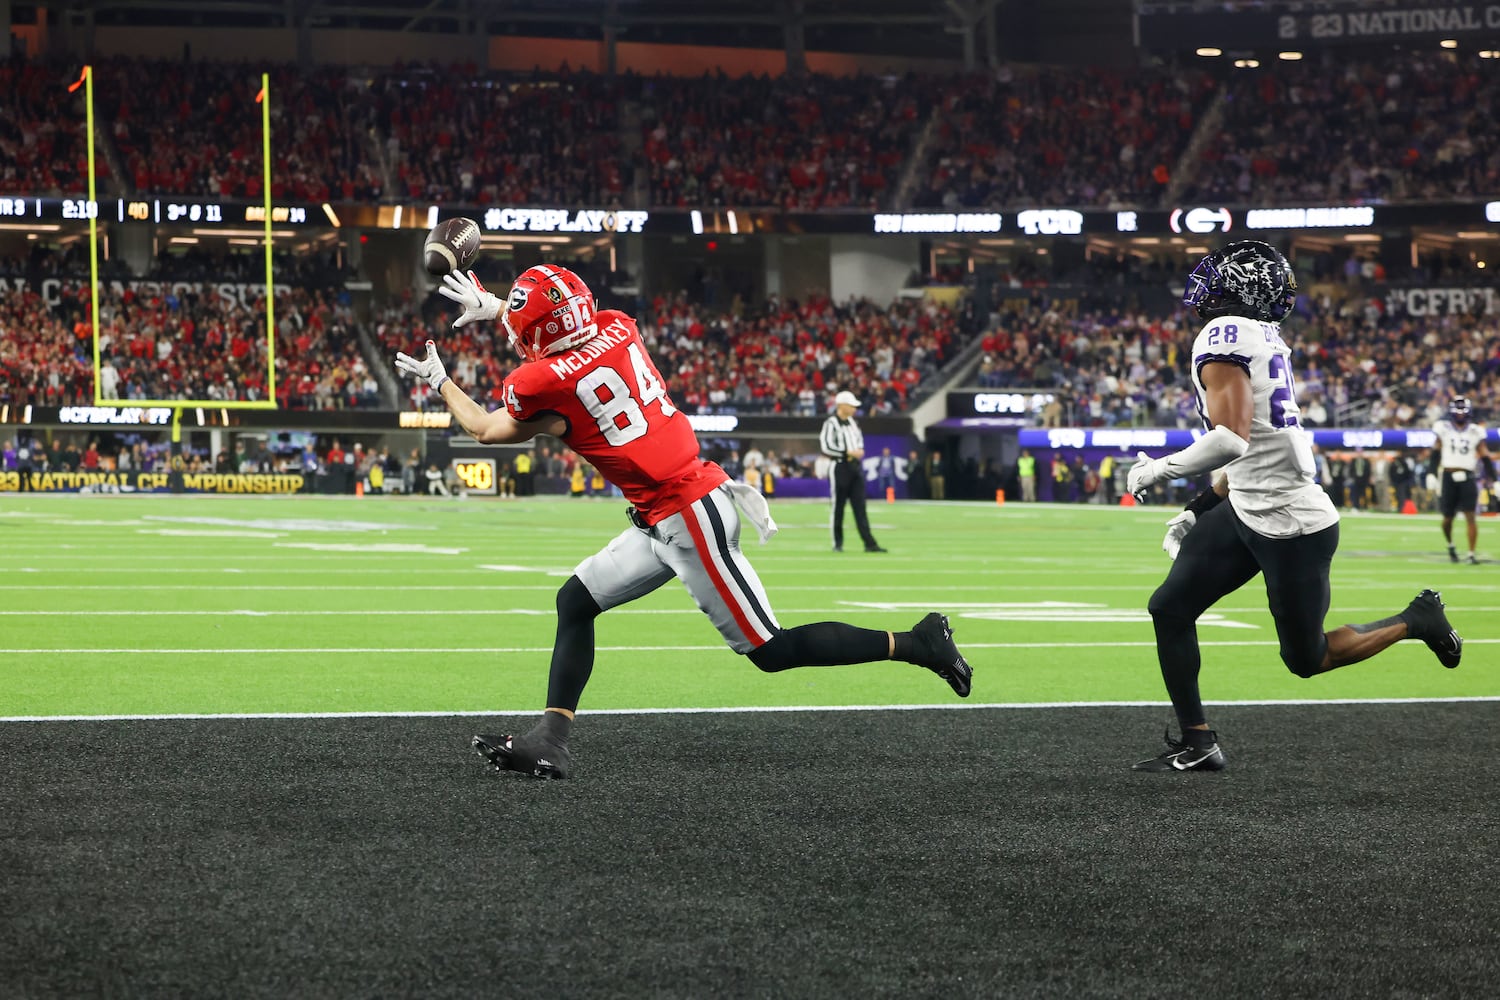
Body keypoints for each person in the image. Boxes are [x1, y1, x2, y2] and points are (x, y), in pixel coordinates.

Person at [395, 264, 972, 779]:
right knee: (575, 602)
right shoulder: (619, 326)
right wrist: (500, 307)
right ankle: (550, 740)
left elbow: (487, 427)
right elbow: (568, 337)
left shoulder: (539, 387)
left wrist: (439, 379)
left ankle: (918, 644)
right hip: (663, 511)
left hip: (689, 513)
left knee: (769, 651)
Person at [1125, 241, 1463, 772]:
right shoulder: (1262, 336)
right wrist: (1196, 508)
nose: (1207, 283)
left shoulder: (1223, 334)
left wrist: (1155, 469)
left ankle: (1416, 620)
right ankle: (1198, 741)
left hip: (1290, 524)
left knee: (1309, 660)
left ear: (1243, 285)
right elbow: (1254, 453)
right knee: (1169, 607)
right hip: (1249, 507)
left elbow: (1232, 441)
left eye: (1221, 274)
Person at [819, 390, 886, 552]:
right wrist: (847, 452)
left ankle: (869, 543)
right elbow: (826, 445)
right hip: (839, 466)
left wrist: (858, 451)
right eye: (851, 405)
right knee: (838, 506)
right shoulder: (831, 423)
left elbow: (859, 443)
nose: (855, 409)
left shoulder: (853, 423)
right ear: (841, 405)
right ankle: (838, 543)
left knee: (860, 506)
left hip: (855, 467)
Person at [1433, 396, 1491, 564]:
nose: (1460, 415)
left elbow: (1485, 456)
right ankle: (1450, 544)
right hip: (1449, 475)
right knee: (1447, 519)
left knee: (1471, 516)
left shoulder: (1475, 431)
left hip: (1467, 476)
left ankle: (1471, 554)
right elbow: (1435, 452)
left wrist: (1494, 479)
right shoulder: (1443, 428)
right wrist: (1431, 473)